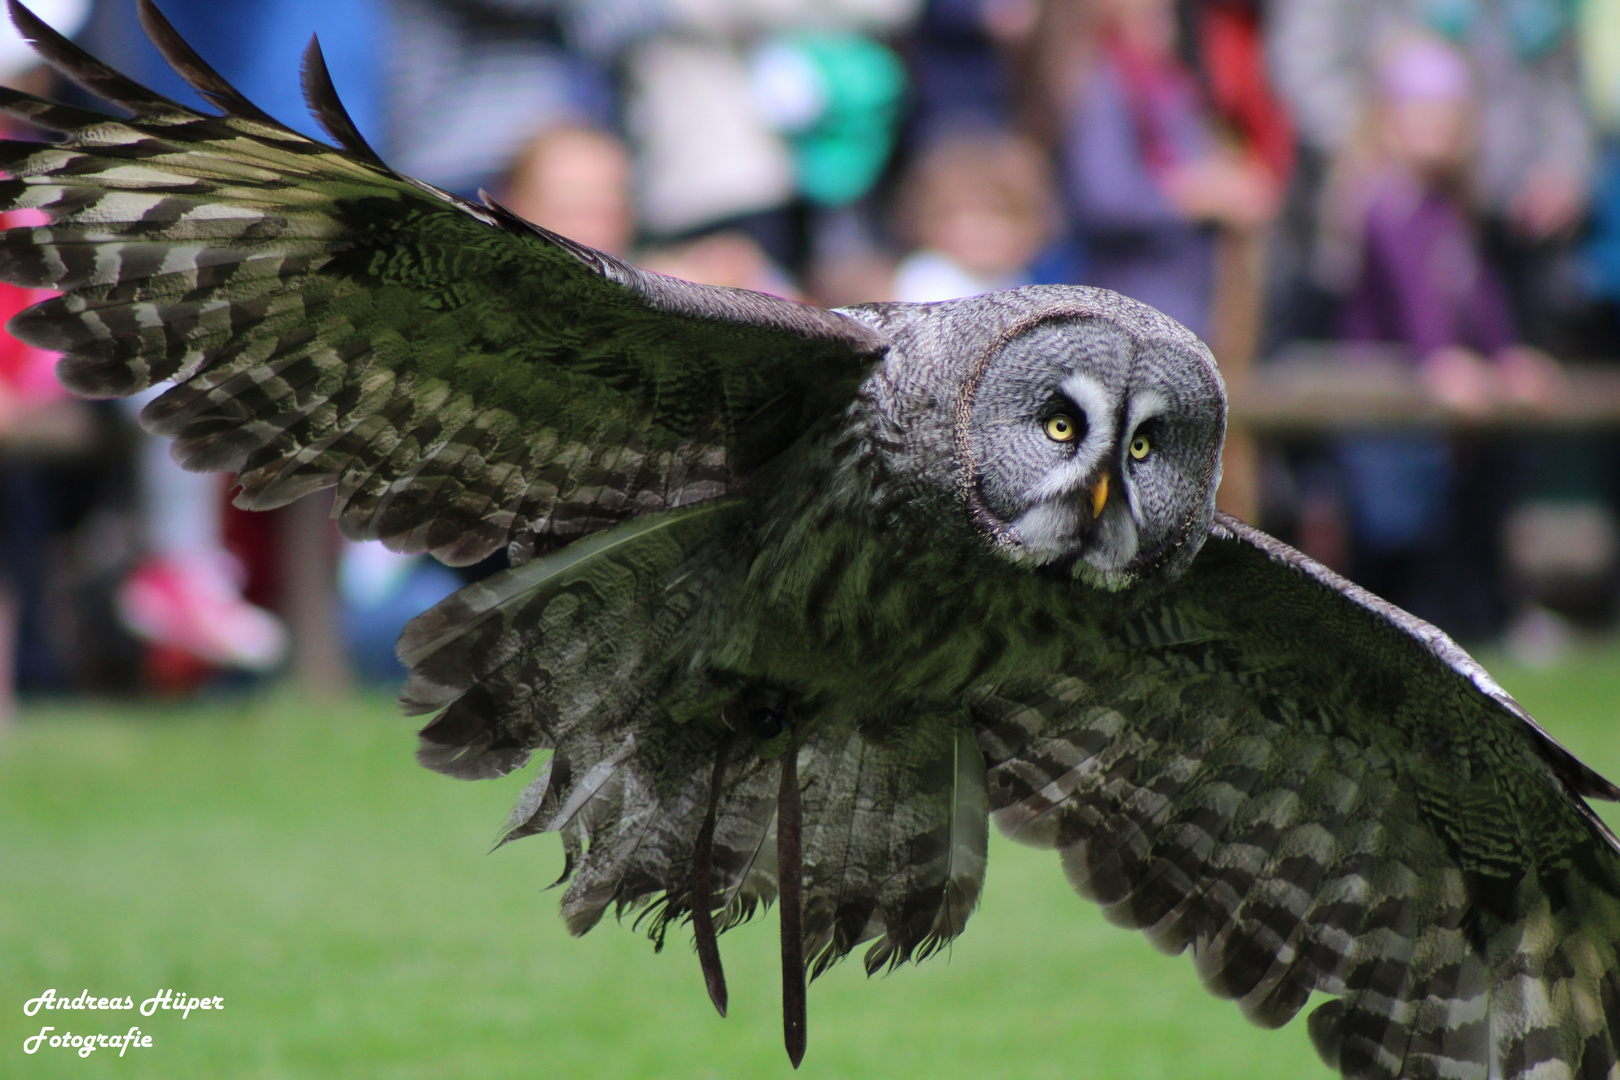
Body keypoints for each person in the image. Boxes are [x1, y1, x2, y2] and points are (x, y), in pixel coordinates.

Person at [1062, 0, 1277, 340]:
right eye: (1151, 16)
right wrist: (1197, 197)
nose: (1165, 27)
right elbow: (1105, 197)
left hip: (1191, 300)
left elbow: (1197, 161)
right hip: (1132, 303)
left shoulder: (1173, 84)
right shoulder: (1104, 84)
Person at [890, 129, 1058, 301]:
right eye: (957, 216)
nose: (977, 230)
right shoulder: (928, 278)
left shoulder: (1020, 282)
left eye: (995, 214)